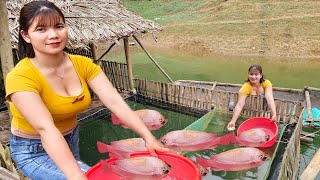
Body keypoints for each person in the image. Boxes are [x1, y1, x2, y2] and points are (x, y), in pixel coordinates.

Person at [5, 1, 168, 180]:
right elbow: (46, 129)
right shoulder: (20, 77)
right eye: (41, 29)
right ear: (26, 35)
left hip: (70, 139)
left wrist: (148, 137)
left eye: (59, 26)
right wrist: (77, 176)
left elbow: (115, 101)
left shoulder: (82, 64)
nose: (53, 35)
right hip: (34, 149)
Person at [227, 64, 277, 130]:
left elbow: (269, 97)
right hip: (249, 111)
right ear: (248, 75)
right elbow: (239, 105)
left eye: (256, 74)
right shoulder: (246, 87)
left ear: (261, 75)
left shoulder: (266, 83)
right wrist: (233, 121)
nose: (253, 77)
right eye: (251, 74)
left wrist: (274, 114)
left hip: (263, 111)